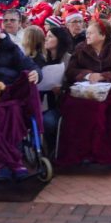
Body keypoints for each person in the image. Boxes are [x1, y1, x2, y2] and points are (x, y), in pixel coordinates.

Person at [57, 20, 111, 167]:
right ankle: (79, 153)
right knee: (75, 108)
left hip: (110, 90)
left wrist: (104, 76)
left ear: (102, 35)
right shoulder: (81, 48)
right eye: (87, 32)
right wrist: (87, 75)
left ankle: (102, 154)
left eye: (91, 32)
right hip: (84, 90)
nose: (87, 35)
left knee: (103, 110)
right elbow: (71, 71)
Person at [0, 15, 42, 179]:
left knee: (14, 110)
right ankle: (2, 164)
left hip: (8, 94)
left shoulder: (10, 48)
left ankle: (13, 158)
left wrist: (36, 73)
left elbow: (29, 65)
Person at [41, 27, 72, 155]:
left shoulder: (69, 59)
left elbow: (73, 82)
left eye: (50, 36)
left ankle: (52, 152)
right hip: (40, 101)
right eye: (46, 36)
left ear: (60, 40)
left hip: (59, 104)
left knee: (48, 121)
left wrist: (63, 88)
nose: (46, 38)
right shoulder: (41, 58)